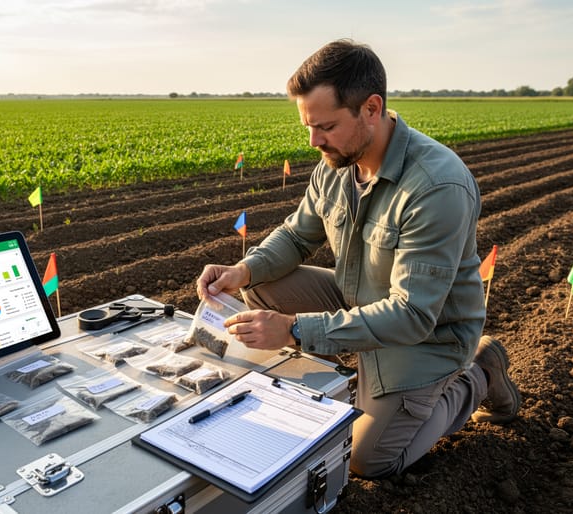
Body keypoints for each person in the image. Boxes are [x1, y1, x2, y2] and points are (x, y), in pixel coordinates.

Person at [195, 39, 521, 478]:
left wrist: (294, 330)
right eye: (308, 126)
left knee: (368, 460)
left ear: (371, 108)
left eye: (325, 126)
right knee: (260, 283)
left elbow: (411, 315)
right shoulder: (335, 165)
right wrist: (242, 270)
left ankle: (478, 375)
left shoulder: (435, 187)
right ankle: (348, 373)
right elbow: (296, 235)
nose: (314, 141)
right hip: (359, 296)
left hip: (426, 336)